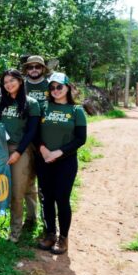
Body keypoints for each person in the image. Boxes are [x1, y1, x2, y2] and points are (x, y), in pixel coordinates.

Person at [36, 72, 87, 254]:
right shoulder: (43, 107)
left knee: (62, 199)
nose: (55, 90)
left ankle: (63, 238)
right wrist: (43, 149)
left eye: (59, 86)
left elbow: (81, 139)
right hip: (44, 160)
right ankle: (50, 234)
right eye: (52, 87)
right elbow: (35, 132)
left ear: (67, 87)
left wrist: (59, 152)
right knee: (47, 198)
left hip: (65, 162)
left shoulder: (76, 111)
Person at [0, 69, 40, 243]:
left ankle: (15, 231)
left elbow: (32, 131)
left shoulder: (31, 103)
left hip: (21, 149)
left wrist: (18, 153)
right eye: (5, 82)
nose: (8, 84)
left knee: (18, 192)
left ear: (20, 81)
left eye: (12, 80)